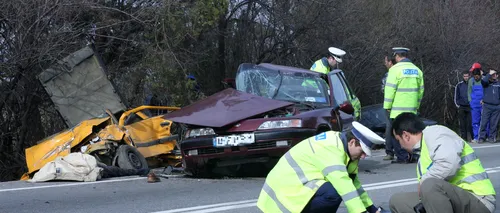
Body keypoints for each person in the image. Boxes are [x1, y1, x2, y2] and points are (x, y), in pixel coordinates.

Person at [257, 121, 388, 213]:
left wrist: (372, 209)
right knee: (334, 192)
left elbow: (354, 185)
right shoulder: (331, 149)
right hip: (284, 195)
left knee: (333, 192)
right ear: (352, 141)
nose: (364, 156)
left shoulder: (347, 151)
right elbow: (344, 187)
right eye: (363, 151)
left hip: (295, 188)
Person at [388, 112, 496, 213]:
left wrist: (423, 182)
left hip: (479, 199)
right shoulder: (423, 152)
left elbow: (449, 164)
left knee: (429, 185)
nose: (400, 146)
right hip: (454, 200)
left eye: (398, 141)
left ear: (406, 135)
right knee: (397, 201)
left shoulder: (435, 133)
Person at [383, 47, 424, 163]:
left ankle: (402, 157)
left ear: (397, 56)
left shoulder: (394, 70)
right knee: (411, 132)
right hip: (412, 109)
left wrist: (387, 106)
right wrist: (417, 105)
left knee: (397, 133)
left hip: (397, 110)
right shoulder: (417, 70)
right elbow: (421, 91)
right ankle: (413, 155)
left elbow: (390, 90)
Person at [382, 53, 397, 161]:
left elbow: (385, 90)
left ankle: (389, 151)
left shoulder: (390, 74)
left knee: (390, 128)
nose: (385, 63)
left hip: (391, 105)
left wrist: (387, 106)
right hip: (401, 104)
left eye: (386, 61)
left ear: (390, 62)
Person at [478, 69, 500, 143]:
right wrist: (489, 74)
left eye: (494, 74)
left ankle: (491, 137)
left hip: (497, 107)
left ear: (497, 75)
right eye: (492, 74)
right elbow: (483, 81)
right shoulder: (486, 83)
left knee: (494, 123)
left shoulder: (498, 84)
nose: (493, 75)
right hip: (487, 106)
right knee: (484, 122)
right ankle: (481, 137)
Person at [468, 66, 489, 143]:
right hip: (474, 104)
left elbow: (487, 91)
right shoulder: (471, 81)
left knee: (485, 121)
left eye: (477, 76)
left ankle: (485, 136)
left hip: (483, 103)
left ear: (480, 75)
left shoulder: (484, 80)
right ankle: (476, 137)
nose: (476, 78)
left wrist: (485, 100)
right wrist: (470, 101)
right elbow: (469, 92)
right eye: (475, 76)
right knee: (475, 122)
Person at [454, 70, 473, 141]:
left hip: (470, 107)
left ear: (469, 76)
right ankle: (463, 138)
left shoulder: (472, 84)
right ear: (463, 76)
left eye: (467, 76)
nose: (466, 77)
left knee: (470, 123)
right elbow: (456, 96)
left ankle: (473, 138)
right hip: (461, 107)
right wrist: (458, 105)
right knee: (462, 124)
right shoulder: (459, 85)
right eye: (464, 76)